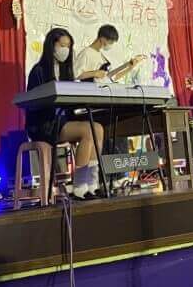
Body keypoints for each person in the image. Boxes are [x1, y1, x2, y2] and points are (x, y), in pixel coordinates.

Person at [25, 27, 104, 199]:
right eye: (62, 46)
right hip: (44, 124)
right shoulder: (39, 71)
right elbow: (33, 103)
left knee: (97, 128)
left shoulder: (66, 71)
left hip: (62, 121)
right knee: (87, 130)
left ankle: (93, 184)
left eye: (68, 46)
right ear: (51, 45)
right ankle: (79, 187)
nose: (65, 50)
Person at [74, 24, 146, 83]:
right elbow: (75, 75)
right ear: (102, 38)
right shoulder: (86, 53)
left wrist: (129, 66)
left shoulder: (101, 56)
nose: (111, 45)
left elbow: (111, 77)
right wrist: (95, 73)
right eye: (111, 42)